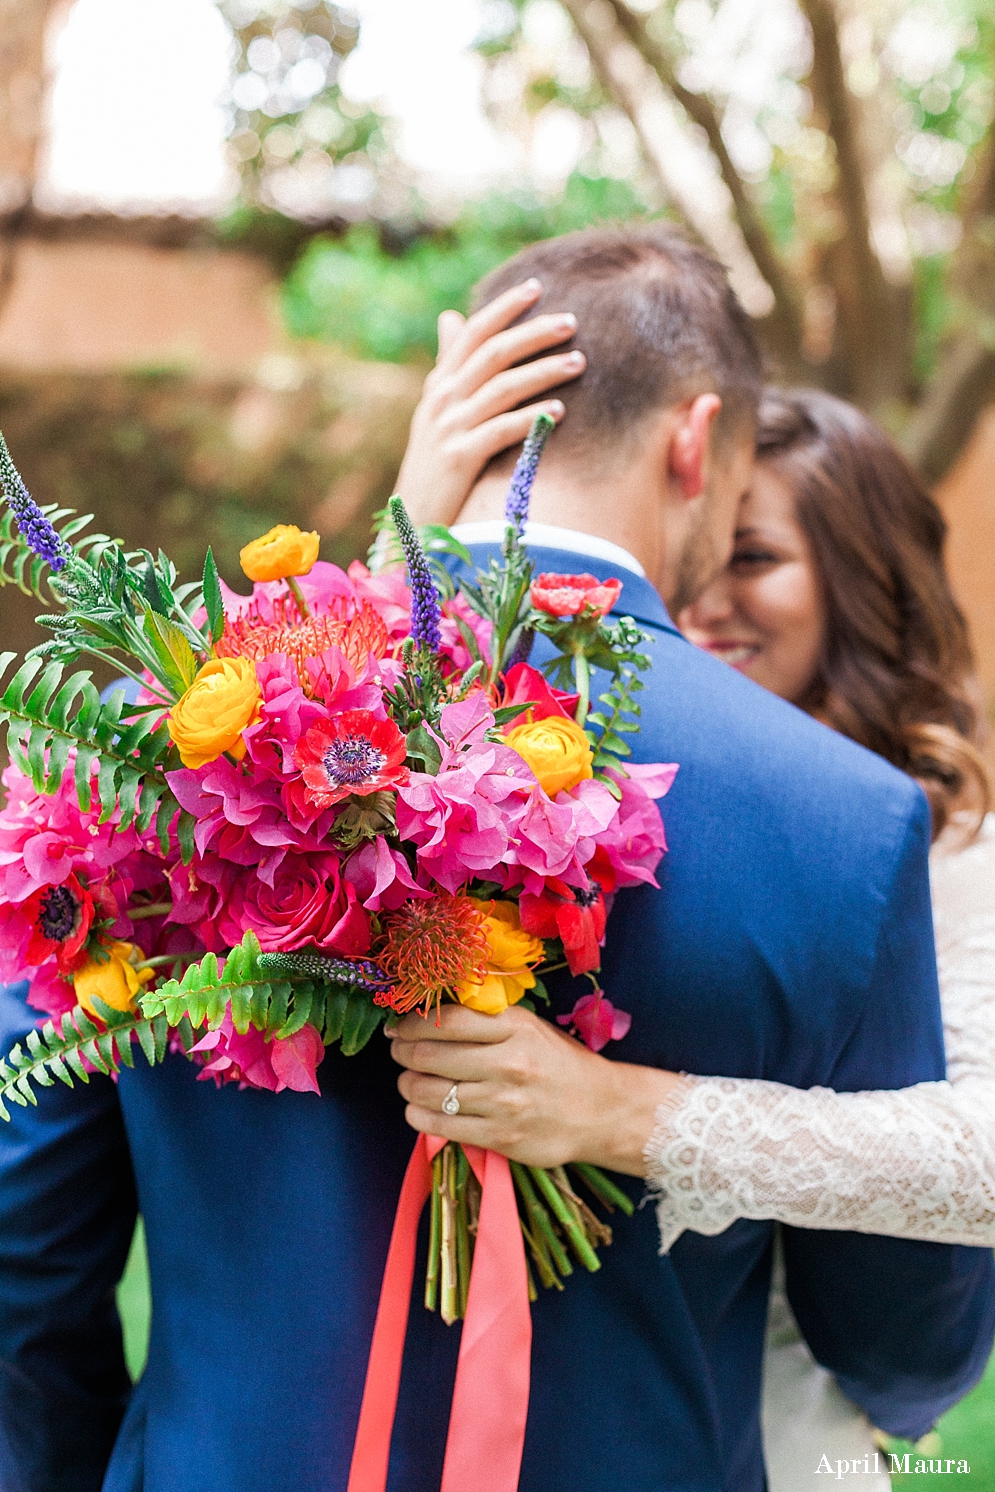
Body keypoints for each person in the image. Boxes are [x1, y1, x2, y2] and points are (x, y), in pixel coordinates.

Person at [1, 226, 993, 1492]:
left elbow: (23, 1264)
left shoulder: (164, 761)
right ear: (698, 444)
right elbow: (902, 1333)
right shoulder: (845, 821)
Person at [397, 320, 995, 1485]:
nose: (705, 598)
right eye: (704, 553)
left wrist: (618, 1111)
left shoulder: (936, 834)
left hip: (785, 1404)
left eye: (757, 558)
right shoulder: (576, 750)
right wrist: (405, 555)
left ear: (859, 584)